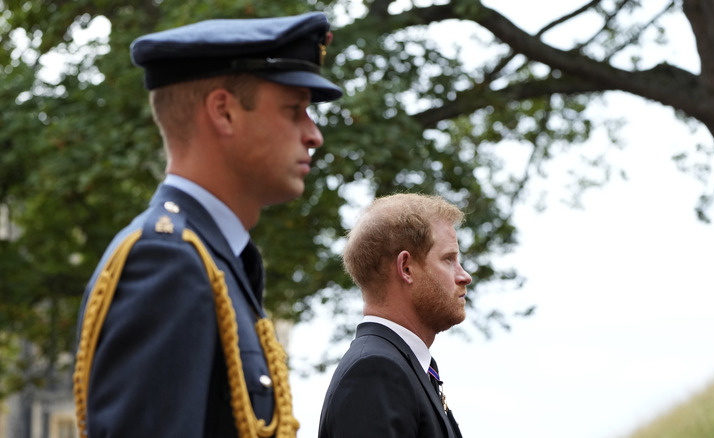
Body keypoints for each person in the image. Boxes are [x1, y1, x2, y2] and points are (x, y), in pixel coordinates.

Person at [72, 12, 342, 438]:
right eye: (294, 110)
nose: (313, 134)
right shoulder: (166, 261)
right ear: (224, 112)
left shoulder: (216, 258)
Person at [319, 193, 472, 438]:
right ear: (406, 268)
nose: (464, 276)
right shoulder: (376, 371)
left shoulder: (404, 366)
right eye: (449, 259)